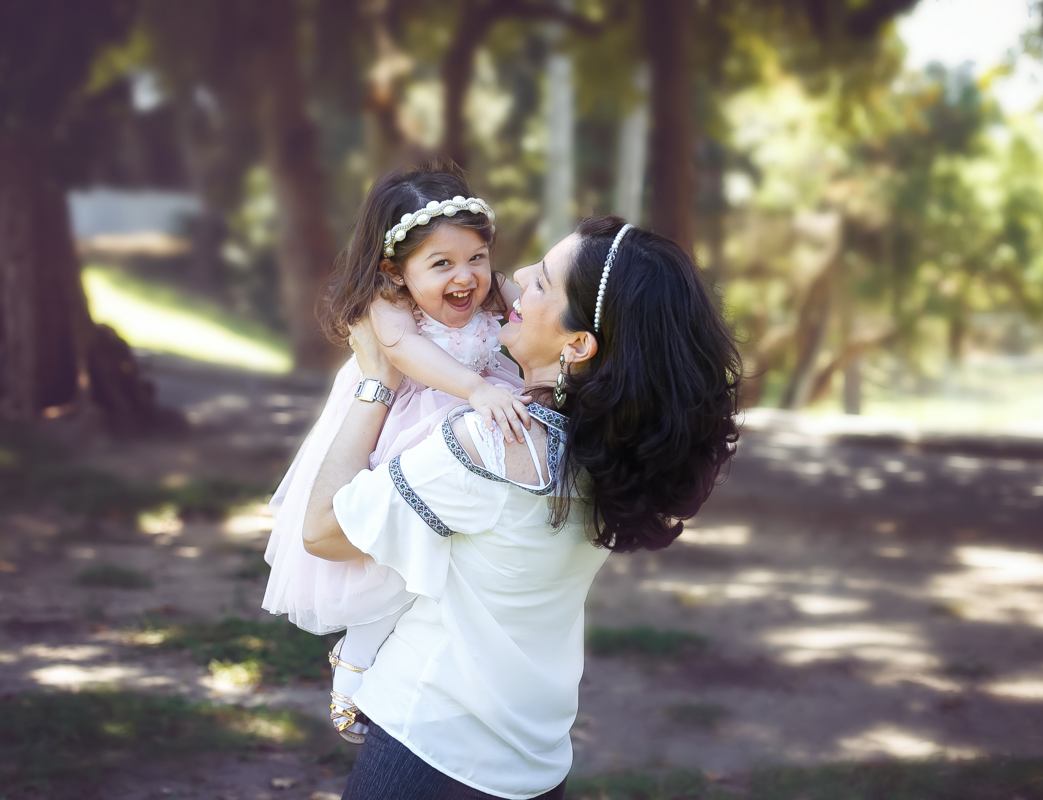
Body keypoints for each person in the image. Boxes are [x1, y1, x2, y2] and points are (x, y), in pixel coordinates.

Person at [302, 216, 742, 799]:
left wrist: (376, 379)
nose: (517, 277)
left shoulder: (490, 445)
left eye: (542, 283)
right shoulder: (611, 451)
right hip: (535, 761)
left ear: (578, 343)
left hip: (429, 751)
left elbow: (322, 529)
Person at [262, 166, 533, 744]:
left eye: (477, 257)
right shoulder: (388, 306)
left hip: (464, 417)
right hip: (399, 424)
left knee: (445, 562)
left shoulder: (496, 287)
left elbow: (532, 316)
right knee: (390, 563)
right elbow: (405, 353)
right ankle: (354, 664)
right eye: (442, 264)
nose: (468, 277)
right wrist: (479, 388)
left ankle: (424, 662)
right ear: (395, 270)